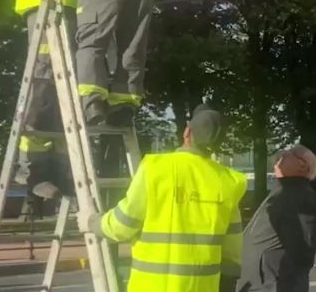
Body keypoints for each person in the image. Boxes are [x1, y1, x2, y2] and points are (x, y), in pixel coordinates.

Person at [77, 104, 247, 292]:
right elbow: (232, 250)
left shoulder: (155, 168)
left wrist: (92, 222)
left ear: (187, 132)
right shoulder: (229, 181)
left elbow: (122, 225)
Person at [14, 0, 86, 200]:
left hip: (61, 7)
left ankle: (58, 170)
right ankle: (31, 170)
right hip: (47, 6)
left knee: (63, 91)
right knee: (44, 80)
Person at [238, 146, 316, 292]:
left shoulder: (300, 196)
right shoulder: (285, 191)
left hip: (271, 285)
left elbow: (302, 253)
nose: (283, 153)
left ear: (302, 166)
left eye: (290, 153)